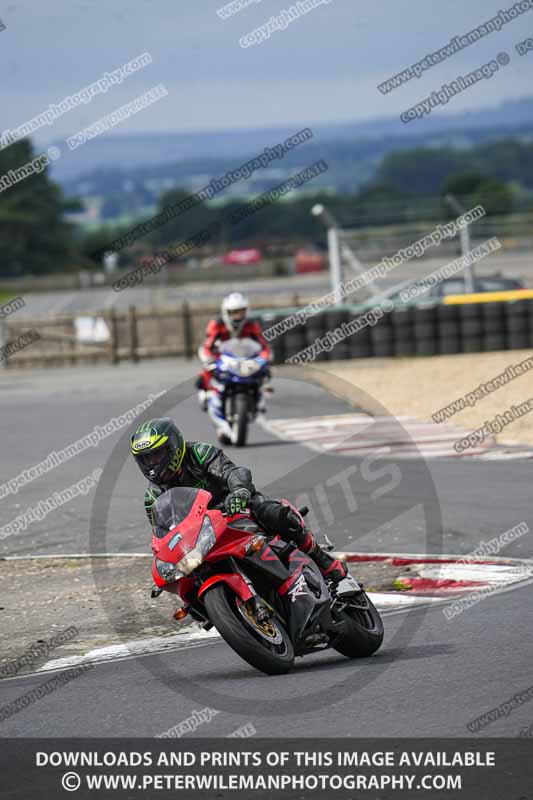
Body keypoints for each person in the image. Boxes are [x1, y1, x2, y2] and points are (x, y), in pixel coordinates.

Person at [131, 417, 348, 585]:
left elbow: (233, 472)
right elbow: (162, 536)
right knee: (188, 581)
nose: (152, 464)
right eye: (145, 459)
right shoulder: (153, 497)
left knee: (274, 514)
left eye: (157, 455)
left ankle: (322, 559)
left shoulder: (198, 453)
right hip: (202, 535)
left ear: (174, 447)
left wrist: (240, 491)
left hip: (235, 508)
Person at [196, 292, 272, 410]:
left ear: (246, 311)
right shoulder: (216, 324)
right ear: (226, 312)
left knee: (266, 370)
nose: (237, 316)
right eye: (233, 312)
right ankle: (206, 393)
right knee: (206, 370)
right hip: (222, 357)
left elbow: (263, 345)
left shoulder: (252, 324)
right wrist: (209, 359)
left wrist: (264, 358)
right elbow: (207, 346)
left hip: (246, 358)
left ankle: (261, 393)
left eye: (241, 312)